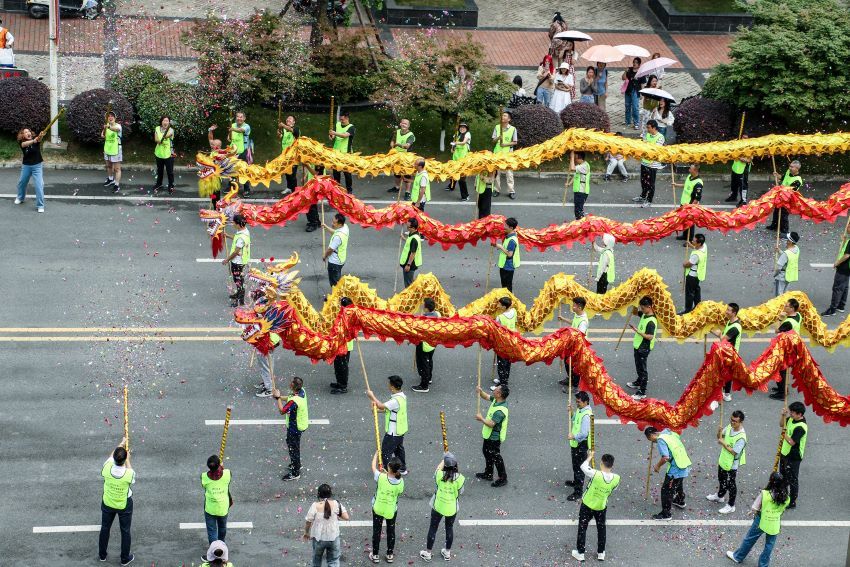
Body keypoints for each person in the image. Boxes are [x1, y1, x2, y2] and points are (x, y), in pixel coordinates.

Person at [726, 472, 790, 566]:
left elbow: (755, 508)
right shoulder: (786, 498)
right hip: (774, 524)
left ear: (771, 481)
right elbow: (782, 510)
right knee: (769, 545)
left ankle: (738, 556)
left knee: (750, 539)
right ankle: (763, 564)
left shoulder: (765, 494)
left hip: (761, 520)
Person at [571, 451, 619, 563]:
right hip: (601, 506)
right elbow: (613, 489)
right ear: (612, 465)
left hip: (588, 505)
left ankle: (580, 553)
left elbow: (583, 466)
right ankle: (601, 553)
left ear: (601, 463)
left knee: (582, 528)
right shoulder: (616, 478)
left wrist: (589, 457)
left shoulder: (596, 474)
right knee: (601, 529)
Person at [420, 452, 465, 562]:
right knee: (449, 528)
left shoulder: (439, 475)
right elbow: (461, 491)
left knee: (433, 528)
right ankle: (447, 552)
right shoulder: (460, 478)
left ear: (444, 465)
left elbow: (438, 469)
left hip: (438, 506)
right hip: (451, 508)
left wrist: (444, 458)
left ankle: (428, 553)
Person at [99, 437, 135, 565]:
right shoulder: (128, 474)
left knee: (105, 528)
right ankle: (124, 559)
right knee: (125, 531)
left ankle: (102, 555)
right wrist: (129, 460)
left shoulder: (106, 468)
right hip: (123, 505)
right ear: (124, 460)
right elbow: (131, 472)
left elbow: (110, 457)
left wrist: (121, 443)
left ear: (113, 459)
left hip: (108, 502)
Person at [645, 427, 691, 520]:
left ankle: (666, 514)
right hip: (683, 463)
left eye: (650, 439)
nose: (652, 442)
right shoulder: (670, 433)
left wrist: (657, 466)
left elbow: (665, 457)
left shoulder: (661, 440)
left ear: (652, 435)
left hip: (676, 467)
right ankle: (680, 500)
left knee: (667, 490)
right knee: (678, 484)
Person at [367, 375, 408, 473]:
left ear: (393, 387)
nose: (388, 386)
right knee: (398, 449)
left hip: (393, 432)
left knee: (385, 452)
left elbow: (381, 406)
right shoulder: (402, 397)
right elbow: (390, 410)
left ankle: (386, 471)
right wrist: (377, 411)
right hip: (400, 430)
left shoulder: (395, 400)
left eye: (389, 384)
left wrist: (372, 396)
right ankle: (402, 468)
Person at [707, 410, 746, 514]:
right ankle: (720, 496)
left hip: (732, 464)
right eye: (731, 420)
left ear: (741, 422)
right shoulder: (729, 427)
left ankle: (731, 505)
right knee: (721, 479)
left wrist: (723, 443)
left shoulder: (741, 437)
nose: (732, 423)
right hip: (723, 459)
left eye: (735, 421)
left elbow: (734, 452)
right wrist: (719, 432)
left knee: (731, 484)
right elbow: (720, 437)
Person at [305, 483, 349, 567]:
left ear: (318, 494)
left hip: (319, 539)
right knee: (333, 561)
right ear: (330, 494)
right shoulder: (336, 504)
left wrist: (306, 533)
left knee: (316, 560)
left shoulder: (315, 506)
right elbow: (346, 517)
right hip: (333, 538)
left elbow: (308, 521)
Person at [370, 453, 404, 563]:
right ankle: (389, 554)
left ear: (388, 467)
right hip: (391, 510)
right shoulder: (400, 482)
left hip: (378, 508)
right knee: (391, 531)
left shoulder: (381, 477)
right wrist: (386, 473)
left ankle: (375, 555)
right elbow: (399, 491)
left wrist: (376, 455)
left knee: (377, 531)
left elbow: (373, 467)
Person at [274, 376, 309, 481]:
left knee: (293, 448)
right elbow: (289, 398)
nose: (290, 383)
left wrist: (277, 398)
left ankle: (295, 472)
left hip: (295, 428)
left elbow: (282, 410)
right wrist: (279, 397)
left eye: (291, 382)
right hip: (300, 425)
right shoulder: (301, 391)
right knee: (295, 446)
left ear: (293, 386)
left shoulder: (295, 401)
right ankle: (296, 464)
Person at [475, 384, 509, 487]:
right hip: (489, 436)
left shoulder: (500, 411)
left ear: (499, 394)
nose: (494, 390)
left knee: (496, 457)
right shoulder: (497, 400)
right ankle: (488, 473)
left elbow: (491, 424)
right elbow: (486, 396)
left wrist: (481, 419)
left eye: (496, 389)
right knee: (486, 453)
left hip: (494, 438)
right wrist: (480, 392)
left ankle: (503, 478)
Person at [769, 299, 802, 400]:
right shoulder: (798, 316)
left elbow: (777, 331)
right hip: (793, 346)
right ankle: (783, 388)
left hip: (787, 348)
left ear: (792, 308)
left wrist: (779, 319)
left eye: (786, 306)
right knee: (783, 369)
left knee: (780, 369)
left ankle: (782, 393)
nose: (784, 307)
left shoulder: (788, 322)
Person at [778, 402, 807, 509]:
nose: (791, 414)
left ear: (799, 414)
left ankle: (792, 501)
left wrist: (784, 433)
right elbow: (781, 424)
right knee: (783, 477)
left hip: (794, 457)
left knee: (792, 480)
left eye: (793, 413)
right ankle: (782, 496)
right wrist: (783, 415)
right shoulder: (791, 419)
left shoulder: (801, 427)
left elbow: (791, 442)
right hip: (785, 453)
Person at [626, 296, 657, 400]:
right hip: (638, 346)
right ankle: (638, 382)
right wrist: (634, 301)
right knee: (638, 366)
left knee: (643, 369)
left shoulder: (651, 321)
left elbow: (650, 336)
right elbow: (636, 312)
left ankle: (642, 392)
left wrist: (636, 330)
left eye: (643, 308)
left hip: (644, 348)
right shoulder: (645, 314)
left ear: (649, 307)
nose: (641, 310)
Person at [710, 303, 742, 401]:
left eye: (728, 310)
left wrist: (715, 331)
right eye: (727, 309)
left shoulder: (735, 327)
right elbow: (722, 335)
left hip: (730, 354)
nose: (726, 312)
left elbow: (723, 338)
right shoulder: (730, 322)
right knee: (724, 373)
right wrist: (710, 329)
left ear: (734, 313)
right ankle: (724, 393)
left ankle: (726, 394)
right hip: (725, 351)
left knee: (726, 374)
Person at [565, 391, 593, 501]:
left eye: (579, 402)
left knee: (579, 469)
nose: (577, 403)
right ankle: (576, 482)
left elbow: (584, 434)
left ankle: (578, 492)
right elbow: (574, 420)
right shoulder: (580, 410)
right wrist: (571, 412)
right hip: (576, 444)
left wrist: (573, 437)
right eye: (576, 401)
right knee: (575, 466)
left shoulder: (586, 415)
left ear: (586, 402)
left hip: (581, 445)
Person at [557, 296, 589, 391]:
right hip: (571, 344)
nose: (572, 307)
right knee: (567, 362)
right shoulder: (577, 314)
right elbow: (573, 323)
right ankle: (570, 378)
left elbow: (579, 336)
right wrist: (563, 319)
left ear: (579, 307)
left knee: (573, 365)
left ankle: (575, 386)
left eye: (574, 305)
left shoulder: (583, 322)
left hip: (578, 347)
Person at [765, 160, 803, 234]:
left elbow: (790, 190)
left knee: (783, 214)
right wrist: (777, 175)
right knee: (776, 211)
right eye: (790, 166)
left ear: (797, 169)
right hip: (780, 195)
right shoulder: (788, 172)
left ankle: (785, 231)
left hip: (788, 199)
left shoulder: (798, 180)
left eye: (792, 167)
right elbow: (783, 178)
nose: (790, 168)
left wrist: (779, 189)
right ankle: (774, 225)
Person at [201, 455, 232, 545]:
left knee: (212, 531)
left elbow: (205, 485)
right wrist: (221, 467)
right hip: (223, 508)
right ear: (219, 465)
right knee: (222, 528)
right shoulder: (227, 474)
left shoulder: (204, 477)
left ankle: (214, 550)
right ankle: (221, 546)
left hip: (210, 509)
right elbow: (225, 476)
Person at [221, 214, 250, 307]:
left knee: (238, 281)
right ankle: (238, 294)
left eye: (234, 222)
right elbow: (236, 238)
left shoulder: (241, 237)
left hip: (238, 262)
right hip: (240, 261)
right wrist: (228, 236)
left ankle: (239, 301)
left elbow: (235, 252)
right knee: (237, 280)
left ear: (238, 224)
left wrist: (227, 260)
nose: (232, 224)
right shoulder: (244, 231)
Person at [634, 120, 665, 207]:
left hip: (653, 164)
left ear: (654, 128)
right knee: (643, 181)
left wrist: (646, 146)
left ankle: (649, 200)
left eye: (648, 127)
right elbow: (643, 146)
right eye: (647, 127)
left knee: (651, 183)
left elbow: (654, 150)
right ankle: (643, 196)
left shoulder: (660, 137)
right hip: (644, 162)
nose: (647, 129)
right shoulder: (647, 134)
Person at [412, 298, 440, 393]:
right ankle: (429, 378)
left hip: (424, 344)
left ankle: (424, 386)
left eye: (424, 305)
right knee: (429, 360)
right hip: (433, 343)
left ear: (427, 309)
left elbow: (418, 331)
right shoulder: (437, 314)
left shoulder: (424, 319)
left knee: (423, 363)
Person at [14, 127, 45, 213]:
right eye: (25, 132)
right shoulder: (22, 142)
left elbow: (39, 139)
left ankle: (40, 205)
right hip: (26, 166)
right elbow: (24, 145)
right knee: (22, 183)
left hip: (37, 166)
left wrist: (41, 135)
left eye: (29, 131)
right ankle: (20, 198)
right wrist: (33, 141)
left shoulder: (36, 140)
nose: (28, 133)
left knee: (39, 185)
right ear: (22, 135)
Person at [820, 229, 850, 316]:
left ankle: (832, 309)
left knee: (837, 288)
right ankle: (841, 306)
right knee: (844, 287)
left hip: (844, 267)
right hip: (847, 268)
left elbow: (847, 255)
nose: (847, 228)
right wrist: (844, 241)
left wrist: (837, 262)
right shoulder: (848, 240)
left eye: (848, 226)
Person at [673, 164, 703, 243]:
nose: (689, 170)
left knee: (690, 223)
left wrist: (691, 207)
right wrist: (676, 185)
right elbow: (686, 186)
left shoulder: (698, 183)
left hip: (690, 205)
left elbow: (697, 198)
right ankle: (685, 235)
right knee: (684, 220)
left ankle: (689, 239)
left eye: (690, 169)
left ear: (695, 170)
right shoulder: (689, 176)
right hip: (684, 203)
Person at [331, 297, 354, 394]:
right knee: (337, 365)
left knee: (342, 366)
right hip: (338, 344)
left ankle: (343, 386)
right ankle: (339, 382)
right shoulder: (343, 313)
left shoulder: (348, 316)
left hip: (345, 346)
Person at [492, 297, 516, 389]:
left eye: (499, 304)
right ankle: (503, 379)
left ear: (504, 306)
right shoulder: (514, 312)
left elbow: (496, 330)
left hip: (502, 343)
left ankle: (502, 384)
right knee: (507, 362)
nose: (498, 305)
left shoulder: (500, 317)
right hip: (512, 341)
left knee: (502, 363)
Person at [491, 111, 517, 199]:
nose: (503, 117)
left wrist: (505, 144)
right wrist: (498, 138)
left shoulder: (513, 129)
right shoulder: (497, 127)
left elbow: (515, 142)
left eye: (505, 116)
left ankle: (511, 191)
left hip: (508, 154)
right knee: (496, 172)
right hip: (497, 153)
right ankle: (496, 189)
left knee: (509, 173)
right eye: (502, 115)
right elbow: (493, 140)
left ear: (509, 119)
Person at [329, 111, 355, 193]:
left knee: (347, 173)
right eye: (340, 119)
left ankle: (349, 190)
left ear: (347, 118)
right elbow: (333, 137)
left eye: (342, 119)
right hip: (336, 152)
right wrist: (331, 135)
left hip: (346, 153)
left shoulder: (351, 127)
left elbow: (344, 135)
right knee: (336, 172)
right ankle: (337, 190)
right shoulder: (337, 125)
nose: (341, 121)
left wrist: (334, 133)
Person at [228, 111, 252, 197]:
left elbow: (241, 131)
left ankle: (246, 189)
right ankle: (232, 187)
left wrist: (232, 129)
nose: (239, 118)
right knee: (231, 170)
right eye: (238, 117)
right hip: (233, 151)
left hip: (243, 151)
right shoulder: (233, 125)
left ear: (244, 118)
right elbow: (230, 137)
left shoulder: (246, 126)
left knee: (243, 170)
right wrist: (229, 136)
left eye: (241, 117)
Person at [388, 118, 415, 197]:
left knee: (407, 175)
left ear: (408, 126)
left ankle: (407, 192)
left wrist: (397, 144)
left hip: (407, 157)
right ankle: (397, 187)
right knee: (397, 173)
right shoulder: (396, 132)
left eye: (406, 124)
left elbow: (407, 146)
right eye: (402, 123)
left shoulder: (411, 135)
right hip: (397, 156)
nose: (404, 125)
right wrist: (392, 145)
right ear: (400, 124)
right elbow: (392, 141)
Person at [682, 233, 708, 314]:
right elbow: (697, 248)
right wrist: (691, 246)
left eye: (694, 241)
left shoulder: (696, 255)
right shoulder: (704, 246)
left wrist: (684, 264)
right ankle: (698, 306)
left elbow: (688, 264)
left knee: (689, 293)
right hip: (698, 275)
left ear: (699, 243)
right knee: (696, 290)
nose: (692, 241)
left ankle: (688, 310)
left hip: (692, 276)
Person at [493, 217, 520, 292]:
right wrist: (496, 245)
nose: (504, 227)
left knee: (507, 287)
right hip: (505, 265)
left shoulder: (512, 240)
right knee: (505, 286)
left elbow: (509, 254)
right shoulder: (509, 236)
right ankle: (506, 301)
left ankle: (508, 302)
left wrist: (500, 247)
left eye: (506, 226)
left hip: (508, 267)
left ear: (511, 228)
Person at [322, 213, 349, 288]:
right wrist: (326, 227)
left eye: (334, 223)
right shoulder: (345, 228)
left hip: (334, 262)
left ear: (340, 224)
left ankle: (336, 297)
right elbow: (335, 232)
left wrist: (325, 256)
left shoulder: (338, 237)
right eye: (332, 221)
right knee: (337, 279)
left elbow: (330, 249)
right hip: (341, 259)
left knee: (334, 283)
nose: (332, 223)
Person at [445, 122, 471, 200]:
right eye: (461, 127)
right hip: (456, 157)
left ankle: (465, 196)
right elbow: (453, 147)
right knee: (452, 172)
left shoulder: (468, 134)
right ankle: (451, 186)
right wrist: (452, 147)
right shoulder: (457, 135)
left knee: (462, 178)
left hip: (464, 159)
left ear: (466, 129)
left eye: (464, 127)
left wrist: (455, 143)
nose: (462, 128)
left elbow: (463, 143)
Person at [277, 115, 300, 196]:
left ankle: (295, 191)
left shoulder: (296, 129)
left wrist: (283, 125)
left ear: (294, 122)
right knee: (287, 173)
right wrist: (279, 133)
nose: (288, 119)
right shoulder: (284, 130)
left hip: (293, 156)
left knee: (292, 174)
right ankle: (289, 187)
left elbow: (292, 130)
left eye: (290, 119)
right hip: (285, 155)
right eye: (287, 118)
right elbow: (280, 137)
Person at [102, 111, 123, 194]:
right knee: (108, 166)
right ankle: (110, 179)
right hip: (107, 149)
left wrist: (108, 127)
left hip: (116, 149)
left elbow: (116, 130)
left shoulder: (118, 126)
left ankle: (116, 185)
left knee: (117, 169)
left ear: (115, 118)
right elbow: (103, 135)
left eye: (112, 116)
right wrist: (104, 129)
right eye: (109, 116)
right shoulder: (106, 126)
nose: (110, 117)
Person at [152, 115, 175, 193]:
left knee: (170, 171)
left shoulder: (171, 130)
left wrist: (164, 136)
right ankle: (159, 184)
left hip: (169, 153)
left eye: (167, 121)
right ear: (161, 121)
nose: (165, 122)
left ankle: (171, 185)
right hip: (159, 153)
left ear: (169, 122)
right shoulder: (157, 128)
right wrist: (159, 140)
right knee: (160, 170)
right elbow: (156, 139)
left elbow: (168, 135)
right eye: (164, 120)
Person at [255, 332, 281, 398]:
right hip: (268, 342)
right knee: (268, 365)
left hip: (266, 343)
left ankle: (269, 388)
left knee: (265, 367)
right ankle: (267, 382)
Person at [774, 232, 800, 297]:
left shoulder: (786, 254)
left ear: (790, 242)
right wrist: (780, 251)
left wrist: (775, 274)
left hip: (782, 276)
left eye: (787, 239)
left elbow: (779, 267)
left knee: (779, 295)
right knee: (785, 293)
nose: (786, 240)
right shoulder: (797, 249)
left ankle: (779, 306)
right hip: (789, 275)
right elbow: (789, 257)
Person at [622, 58, 645, 129]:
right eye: (634, 62)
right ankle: (627, 121)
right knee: (627, 106)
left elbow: (642, 84)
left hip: (636, 91)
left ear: (639, 64)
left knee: (635, 107)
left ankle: (636, 122)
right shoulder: (629, 69)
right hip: (628, 90)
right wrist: (625, 72)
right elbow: (623, 78)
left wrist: (642, 93)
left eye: (636, 62)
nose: (634, 64)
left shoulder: (641, 72)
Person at [400, 218, 423, 288]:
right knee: (410, 282)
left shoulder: (414, 239)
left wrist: (408, 265)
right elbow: (409, 243)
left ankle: (412, 297)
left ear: (413, 228)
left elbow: (413, 253)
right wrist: (403, 238)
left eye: (408, 227)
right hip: (409, 263)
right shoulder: (413, 234)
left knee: (409, 285)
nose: (407, 228)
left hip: (410, 264)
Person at [728, 139, 752, 206]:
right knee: (734, 184)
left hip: (743, 171)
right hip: (735, 169)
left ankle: (743, 201)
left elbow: (750, 160)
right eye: (743, 137)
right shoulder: (738, 146)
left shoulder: (750, 148)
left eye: (746, 138)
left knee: (743, 186)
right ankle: (733, 196)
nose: (744, 139)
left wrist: (741, 158)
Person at [569, 151, 591, 220]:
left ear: (580, 158)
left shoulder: (584, 166)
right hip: (578, 191)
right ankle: (579, 223)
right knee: (577, 209)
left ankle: (581, 225)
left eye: (575, 158)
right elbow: (575, 175)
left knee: (579, 210)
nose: (575, 160)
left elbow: (572, 168)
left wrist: (572, 157)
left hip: (582, 191)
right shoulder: (580, 165)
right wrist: (569, 183)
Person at [304, 164, 324, 232]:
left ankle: (313, 223)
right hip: (312, 184)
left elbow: (316, 174)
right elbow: (312, 171)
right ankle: (316, 221)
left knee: (310, 204)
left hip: (316, 185)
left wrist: (307, 166)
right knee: (312, 204)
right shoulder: (314, 159)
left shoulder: (320, 162)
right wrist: (305, 176)